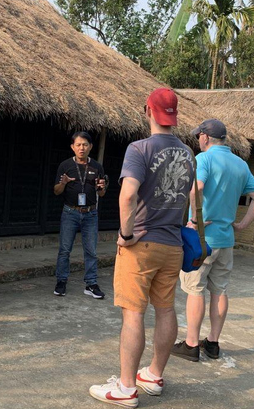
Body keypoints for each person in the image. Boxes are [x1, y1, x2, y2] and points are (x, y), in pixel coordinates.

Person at [89, 88, 194, 408]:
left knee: (133, 314)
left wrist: (125, 233)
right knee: (165, 309)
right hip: (173, 244)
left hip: (142, 243)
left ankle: (126, 387)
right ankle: (154, 376)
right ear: (174, 116)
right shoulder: (189, 153)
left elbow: (127, 195)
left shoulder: (139, 148)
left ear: (148, 110)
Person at [171, 119, 254, 362]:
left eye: (198, 137)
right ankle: (212, 343)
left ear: (205, 137)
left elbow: (196, 189)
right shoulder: (241, 164)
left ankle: (191, 344)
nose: (198, 141)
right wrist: (243, 224)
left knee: (195, 290)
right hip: (226, 239)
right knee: (220, 290)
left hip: (203, 240)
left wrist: (195, 220)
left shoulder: (204, 159)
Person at [53, 131, 107, 298]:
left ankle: (91, 284)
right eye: (78, 145)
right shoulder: (65, 165)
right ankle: (61, 281)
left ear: (90, 146)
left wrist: (101, 188)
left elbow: (102, 194)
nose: (81, 148)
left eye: (85, 144)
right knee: (64, 249)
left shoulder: (97, 167)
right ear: (72, 147)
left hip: (91, 213)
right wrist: (62, 183)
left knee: (91, 250)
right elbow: (56, 191)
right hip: (70, 212)